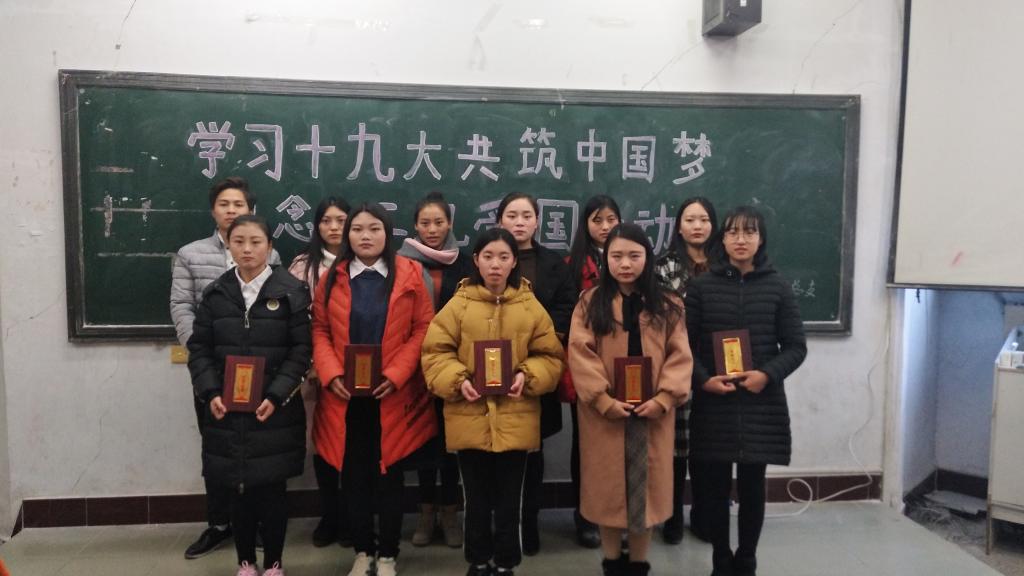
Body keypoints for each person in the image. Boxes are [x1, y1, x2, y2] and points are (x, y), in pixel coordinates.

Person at [421, 227, 564, 576]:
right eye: (488, 257)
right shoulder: (458, 305)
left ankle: (505, 563)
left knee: (510, 501)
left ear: (514, 262)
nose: (495, 265)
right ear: (476, 261)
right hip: (469, 417)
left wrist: (527, 376)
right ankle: (478, 560)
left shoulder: (530, 306)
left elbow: (550, 357)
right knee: (476, 499)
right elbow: (434, 354)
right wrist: (459, 380)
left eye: (503, 257)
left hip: (517, 418)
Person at [311, 203, 437, 576]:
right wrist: (331, 373)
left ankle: (387, 555)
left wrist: (397, 374)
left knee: (389, 477)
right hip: (345, 399)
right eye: (358, 229)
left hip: (392, 394)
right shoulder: (331, 277)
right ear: (347, 235)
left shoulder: (410, 273)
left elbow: (424, 327)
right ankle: (363, 551)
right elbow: (319, 329)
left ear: (388, 233)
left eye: (374, 229)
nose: (365, 236)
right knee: (353, 477)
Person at [685, 206, 807, 576]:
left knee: (753, 486)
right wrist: (703, 380)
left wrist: (766, 375)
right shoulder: (701, 287)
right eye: (733, 232)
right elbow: (684, 347)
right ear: (722, 239)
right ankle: (721, 558)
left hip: (761, 403)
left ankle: (747, 558)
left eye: (749, 232)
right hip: (714, 402)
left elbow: (796, 347)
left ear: (761, 239)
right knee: (715, 487)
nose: (741, 240)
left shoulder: (778, 287)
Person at [187, 215, 310, 576]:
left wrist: (276, 394)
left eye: (256, 242)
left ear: (270, 246)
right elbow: (200, 349)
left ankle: (273, 563)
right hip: (227, 411)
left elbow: (301, 351)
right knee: (237, 489)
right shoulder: (216, 293)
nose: (247, 249)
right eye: (238, 241)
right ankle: (245, 562)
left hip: (274, 410)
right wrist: (210, 392)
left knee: (272, 491)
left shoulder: (291, 292)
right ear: (228, 245)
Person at [568, 223, 693, 576]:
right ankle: (612, 564)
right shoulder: (590, 302)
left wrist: (664, 398)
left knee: (646, 495)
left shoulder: (668, 304)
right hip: (605, 414)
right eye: (617, 256)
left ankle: (638, 565)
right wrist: (603, 400)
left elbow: (680, 355)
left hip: (653, 413)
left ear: (647, 259)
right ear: (605, 259)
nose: (625, 264)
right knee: (607, 494)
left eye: (634, 256)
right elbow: (580, 353)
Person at [170, 176, 281, 559]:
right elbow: (181, 306)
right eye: (224, 204)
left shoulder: (270, 253)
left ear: (251, 210)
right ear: (213, 210)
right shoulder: (191, 254)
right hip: (212, 373)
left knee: (258, 447)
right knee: (217, 449)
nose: (232, 210)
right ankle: (219, 524)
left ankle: (256, 525)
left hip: (259, 371)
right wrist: (202, 353)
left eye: (239, 204)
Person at [495, 192, 575, 555]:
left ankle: (529, 525)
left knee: (533, 451)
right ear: (499, 220)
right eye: (512, 215)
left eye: (527, 215)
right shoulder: (488, 257)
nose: (519, 221)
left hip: (536, 371)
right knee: (497, 454)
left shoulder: (554, 264)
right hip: (493, 371)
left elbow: (566, 309)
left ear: (538, 221)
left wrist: (534, 344)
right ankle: (502, 526)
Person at [396, 191, 473, 549]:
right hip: (414, 366)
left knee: (451, 442)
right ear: (415, 225)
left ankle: (450, 512)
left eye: (439, 222)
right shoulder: (400, 263)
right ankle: (426, 512)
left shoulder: (467, 264)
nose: (432, 229)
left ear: (450, 224)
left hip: (456, 365)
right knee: (423, 440)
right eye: (425, 223)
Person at [287, 196, 353, 548]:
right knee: (324, 445)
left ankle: (355, 516)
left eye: (341, 220)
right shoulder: (303, 266)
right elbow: (296, 321)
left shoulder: (366, 261)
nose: (334, 227)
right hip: (316, 372)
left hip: (359, 370)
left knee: (356, 444)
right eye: (326, 220)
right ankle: (330, 516)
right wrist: (314, 364)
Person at [653, 196, 718, 545]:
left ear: (713, 225)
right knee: (676, 449)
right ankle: (672, 517)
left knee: (710, 448)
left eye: (704, 220)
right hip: (677, 364)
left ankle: (706, 516)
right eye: (690, 220)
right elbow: (662, 318)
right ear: (678, 226)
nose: (697, 226)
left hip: (718, 366)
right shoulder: (664, 266)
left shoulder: (724, 264)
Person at [562, 194, 622, 549]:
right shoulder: (571, 266)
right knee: (585, 447)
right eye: (597, 220)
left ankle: (617, 517)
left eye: (611, 219)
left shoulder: (631, 260)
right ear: (585, 225)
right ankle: (585, 517)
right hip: (586, 368)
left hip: (626, 368)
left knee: (621, 446)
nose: (605, 227)